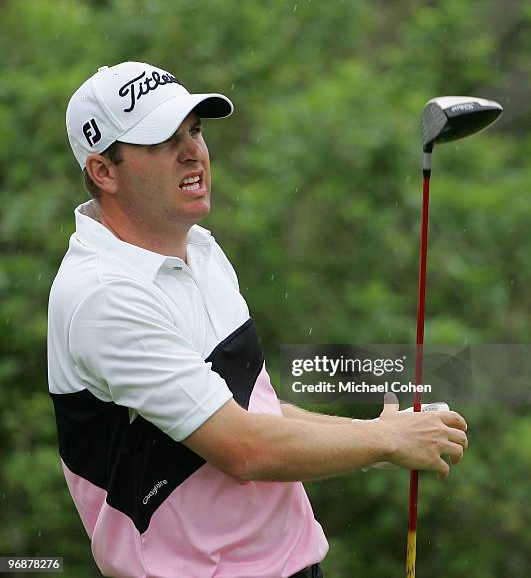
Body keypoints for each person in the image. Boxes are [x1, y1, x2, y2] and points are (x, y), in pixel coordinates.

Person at [47, 61, 468, 578]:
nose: (193, 152)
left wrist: (376, 436)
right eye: (161, 141)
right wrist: (386, 441)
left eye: (195, 131)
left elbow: (254, 410)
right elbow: (242, 448)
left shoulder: (198, 249)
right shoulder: (103, 296)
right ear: (103, 171)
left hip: (292, 564)